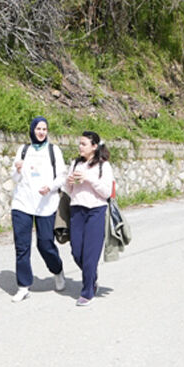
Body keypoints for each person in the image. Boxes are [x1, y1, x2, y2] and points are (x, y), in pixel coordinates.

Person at [10, 116, 67, 302]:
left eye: (44, 129)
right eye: (38, 129)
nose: (41, 132)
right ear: (32, 130)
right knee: (22, 246)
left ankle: (57, 270)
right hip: (22, 203)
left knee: (45, 244)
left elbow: (62, 176)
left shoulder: (53, 150)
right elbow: (14, 177)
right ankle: (23, 286)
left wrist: (50, 187)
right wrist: (17, 170)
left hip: (46, 204)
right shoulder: (23, 150)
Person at [63, 131, 114, 307]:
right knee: (76, 251)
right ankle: (92, 276)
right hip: (76, 210)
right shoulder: (75, 163)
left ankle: (87, 291)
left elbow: (107, 192)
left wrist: (89, 179)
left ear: (94, 147)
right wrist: (69, 181)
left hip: (96, 211)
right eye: (79, 143)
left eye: (84, 144)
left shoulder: (103, 166)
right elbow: (68, 190)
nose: (80, 147)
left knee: (90, 255)